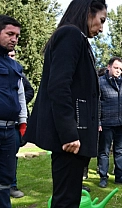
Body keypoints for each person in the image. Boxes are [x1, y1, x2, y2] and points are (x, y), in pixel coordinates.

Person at [24, 1, 107, 207]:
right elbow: (59, 87)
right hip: (70, 139)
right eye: (101, 20)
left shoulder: (76, 38)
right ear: (89, 12)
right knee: (66, 200)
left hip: (76, 136)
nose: (102, 28)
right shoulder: (70, 34)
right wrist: (69, 132)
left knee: (70, 197)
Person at [0, 15, 28, 208]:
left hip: (10, 132)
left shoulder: (15, 66)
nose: (14, 39)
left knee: (5, 180)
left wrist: (23, 122)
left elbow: (21, 96)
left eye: (17, 36)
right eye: (10, 34)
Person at [98, 57, 122, 188]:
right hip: (106, 122)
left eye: (121, 69)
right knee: (104, 151)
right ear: (109, 67)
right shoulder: (100, 82)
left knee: (120, 151)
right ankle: (103, 177)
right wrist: (98, 122)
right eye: (116, 68)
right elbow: (96, 104)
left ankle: (120, 176)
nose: (119, 71)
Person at [8, 50, 34, 198]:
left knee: (11, 156)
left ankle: (12, 185)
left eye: (13, 55)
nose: (11, 58)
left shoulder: (19, 74)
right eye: (9, 55)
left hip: (15, 124)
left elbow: (28, 92)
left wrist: (16, 105)